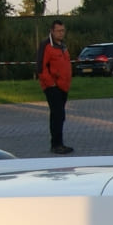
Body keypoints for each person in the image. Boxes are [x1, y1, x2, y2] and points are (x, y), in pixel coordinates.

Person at [35, 20, 73, 154]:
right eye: (58, 31)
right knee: (57, 114)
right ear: (52, 31)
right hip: (52, 86)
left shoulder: (62, 46)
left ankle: (59, 143)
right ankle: (56, 145)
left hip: (63, 86)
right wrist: (51, 84)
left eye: (63, 30)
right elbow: (41, 67)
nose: (61, 33)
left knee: (60, 115)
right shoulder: (46, 45)